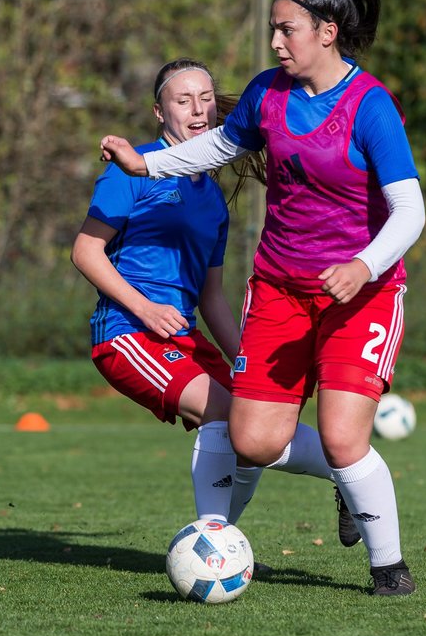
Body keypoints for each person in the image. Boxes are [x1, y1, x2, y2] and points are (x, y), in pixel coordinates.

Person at [99, 0, 426, 596]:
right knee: (250, 438)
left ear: (327, 31)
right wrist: (147, 166)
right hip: (280, 288)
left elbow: (409, 209)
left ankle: (388, 567)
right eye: (274, 30)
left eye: (287, 29)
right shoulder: (267, 94)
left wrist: (363, 266)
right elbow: (220, 145)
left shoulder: (371, 105)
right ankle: (238, 533)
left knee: (340, 438)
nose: (275, 42)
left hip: (363, 294)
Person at [71, 57, 345, 541]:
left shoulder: (213, 198)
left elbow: (212, 297)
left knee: (250, 424)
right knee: (224, 413)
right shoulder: (131, 169)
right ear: (160, 112)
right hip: (127, 333)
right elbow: (85, 252)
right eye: (182, 100)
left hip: (183, 336)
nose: (197, 110)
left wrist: (248, 358)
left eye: (204, 99)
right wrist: (146, 307)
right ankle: (340, 472)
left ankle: (223, 537)